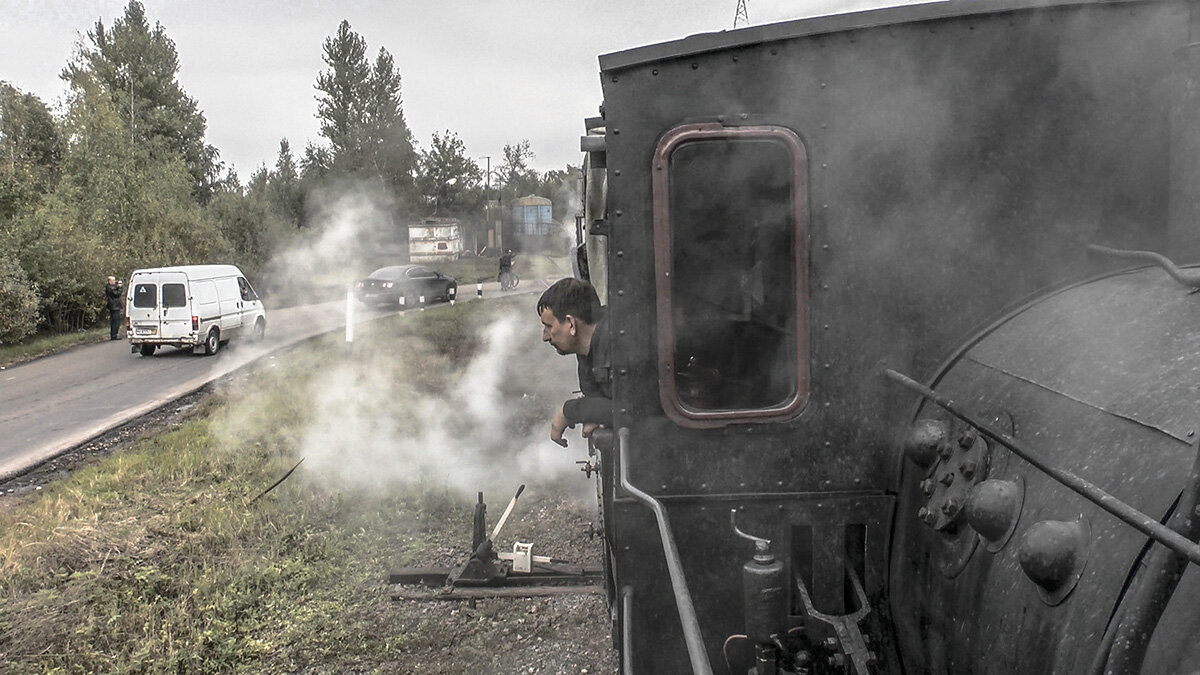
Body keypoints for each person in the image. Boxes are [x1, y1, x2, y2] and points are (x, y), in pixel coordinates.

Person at [537, 278, 611, 447]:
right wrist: (599, 415)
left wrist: (569, 411)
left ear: (571, 324)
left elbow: (632, 411)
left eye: (548, 326)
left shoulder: (620, 344)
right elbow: (602, 401)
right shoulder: (587, 348)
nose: (545, 336)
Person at [104, 275, 123, 340]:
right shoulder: (109, 287)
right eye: (113, 280)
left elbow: (115, 289)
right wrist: (120, 287)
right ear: (109, 281)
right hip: (114, 306)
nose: (115, 282)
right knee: (116, 321)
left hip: (114, 306)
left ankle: (114, 335)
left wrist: (117, 286)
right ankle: (114, 335)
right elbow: (117, 294)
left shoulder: (111, 287)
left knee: (115, 321)